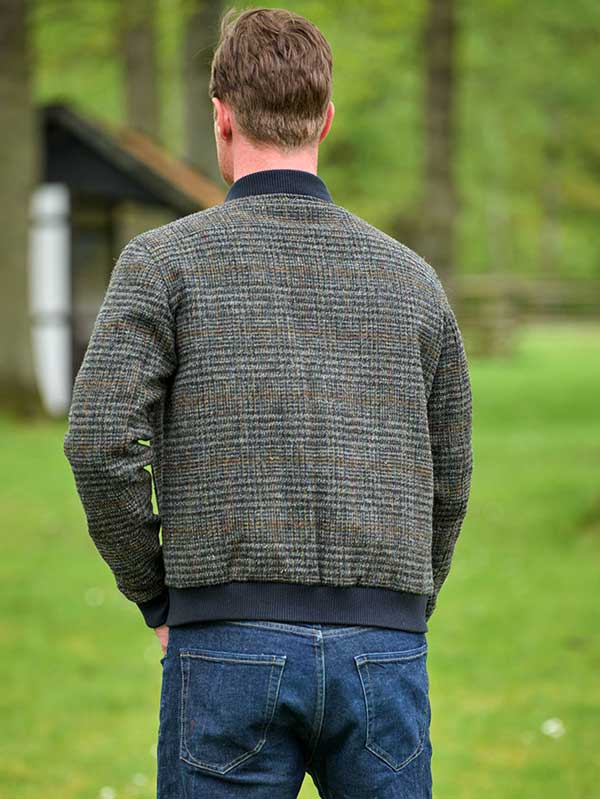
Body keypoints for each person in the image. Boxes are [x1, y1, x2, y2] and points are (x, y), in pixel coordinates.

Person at [63, 6, 473, 798]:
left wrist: (156, 592)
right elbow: (450, 474)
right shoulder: (413, 279)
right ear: (326, 118)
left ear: (221, 116)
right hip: (381, 644)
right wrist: (403, 600)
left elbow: (99, 439)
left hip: (224, 639)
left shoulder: (162, 264)